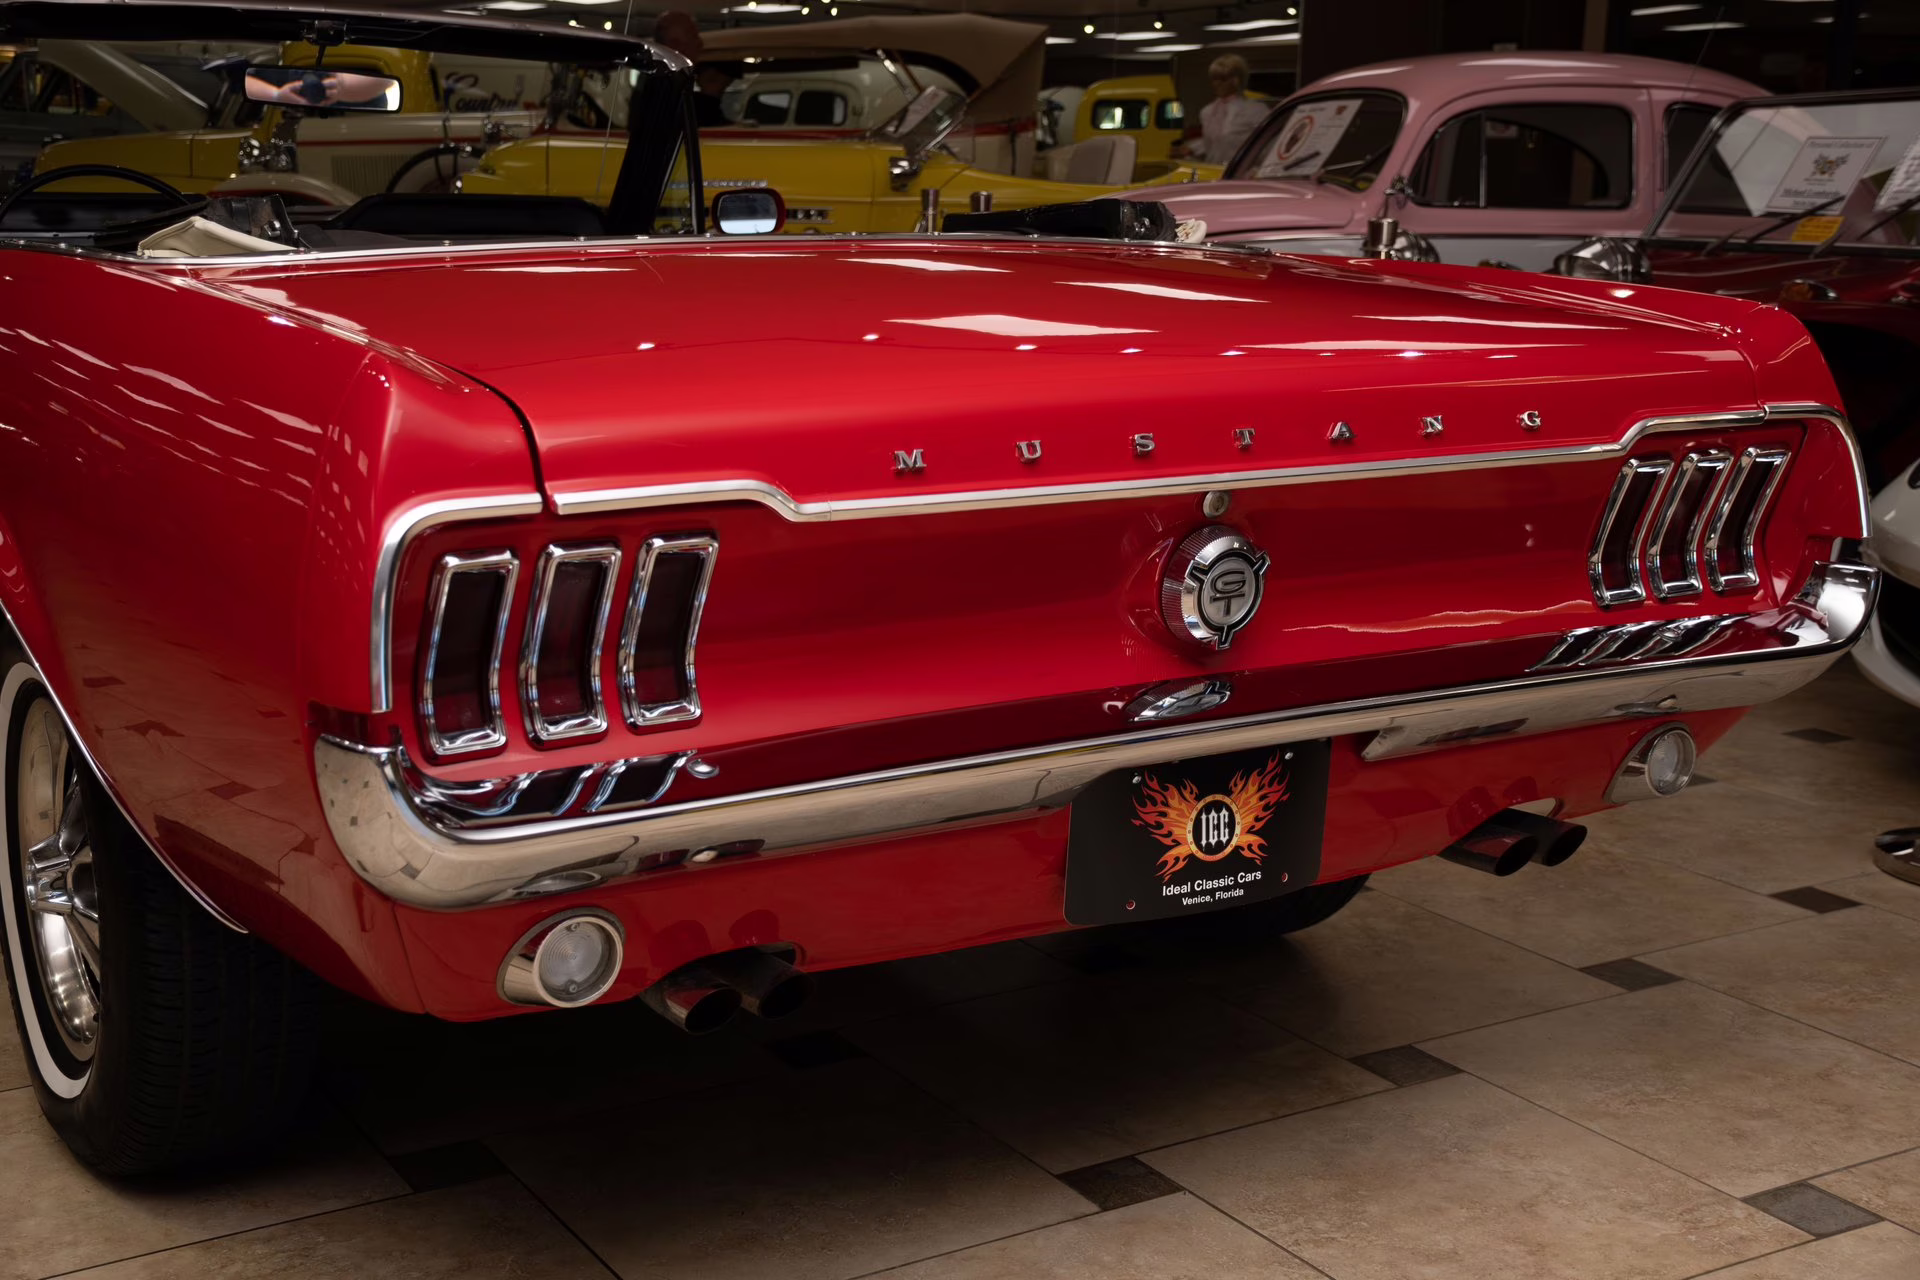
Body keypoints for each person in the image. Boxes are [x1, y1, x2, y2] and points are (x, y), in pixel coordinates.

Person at [1179, 55, 1267, 164]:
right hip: (1215, 174)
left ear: (1237, 80)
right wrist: (1192, 148)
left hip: (1241, 174)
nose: (1217, 84)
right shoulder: (1207, 112)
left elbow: (1265, 146)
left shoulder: (1255, 111)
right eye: (1214, 79)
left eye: (1223, 79)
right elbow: (1215, 143)